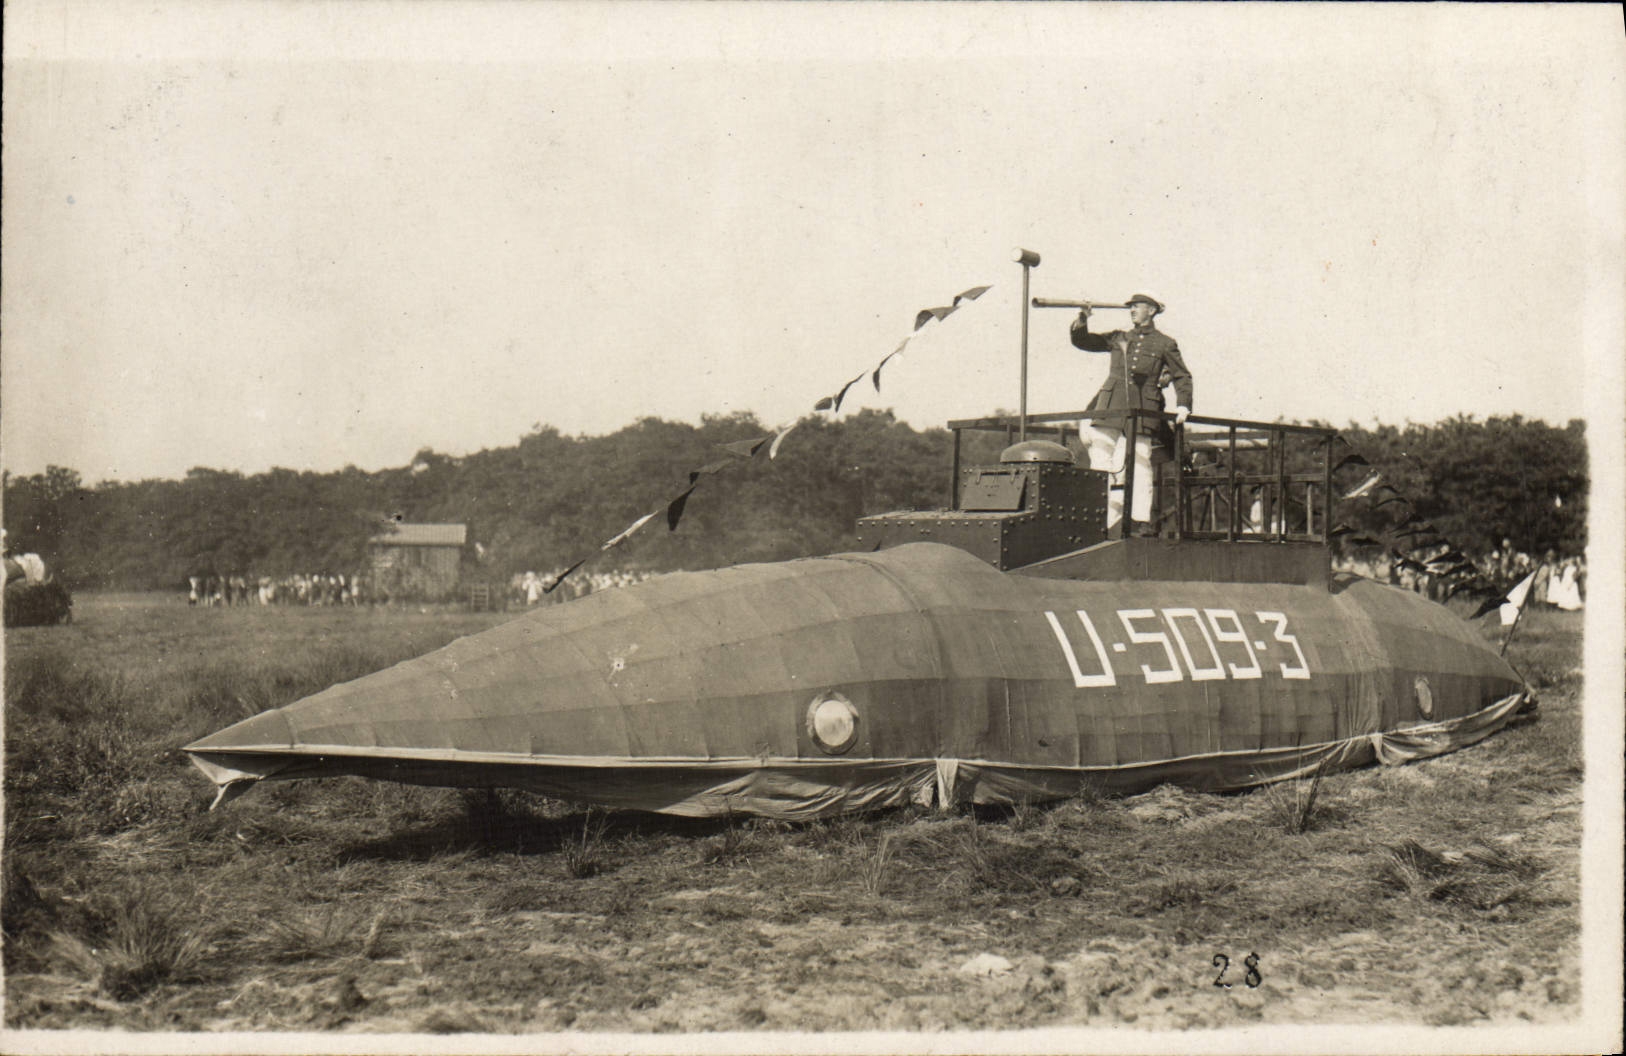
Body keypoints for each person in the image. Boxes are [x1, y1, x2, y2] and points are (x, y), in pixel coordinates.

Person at [1070, 292, 1194, 532]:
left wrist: (1183, 405)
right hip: (1112, 404)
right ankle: (1102, 516)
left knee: (1140, 460)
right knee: (1101, 456)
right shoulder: (1119, 337)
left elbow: (1181, 375)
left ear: (1152, 310)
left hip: (1143, 407)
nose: (1132, 310)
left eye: (1137, 306)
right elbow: (1084, 341)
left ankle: (1139, 520)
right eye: (1131, 307)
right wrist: (1083, 318)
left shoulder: (1164, 343)